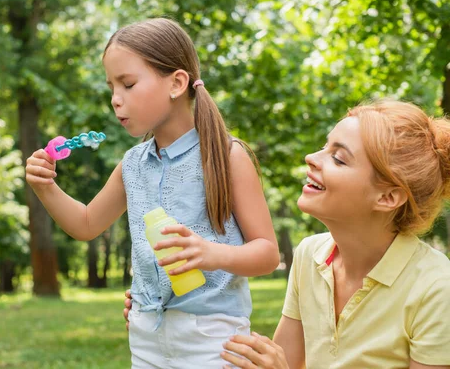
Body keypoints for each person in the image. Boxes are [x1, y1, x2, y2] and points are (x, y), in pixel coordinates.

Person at [25, 17, 280, 368]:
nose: (116, 100)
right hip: (145, 336)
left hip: (212, 340)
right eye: (111, 87)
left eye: (127, 84)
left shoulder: (225, 156)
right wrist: (46, 187)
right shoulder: (132, 165)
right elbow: (85, 224)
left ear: (177, 83)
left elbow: (266, 254)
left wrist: (210, 254)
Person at [125, 99, 450, 368]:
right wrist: (166, 319)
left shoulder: (436, 289)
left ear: (388, 197)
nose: (311, 158)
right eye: (324, 147)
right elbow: (282, 361)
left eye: (338, 158)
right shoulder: (311, 256)